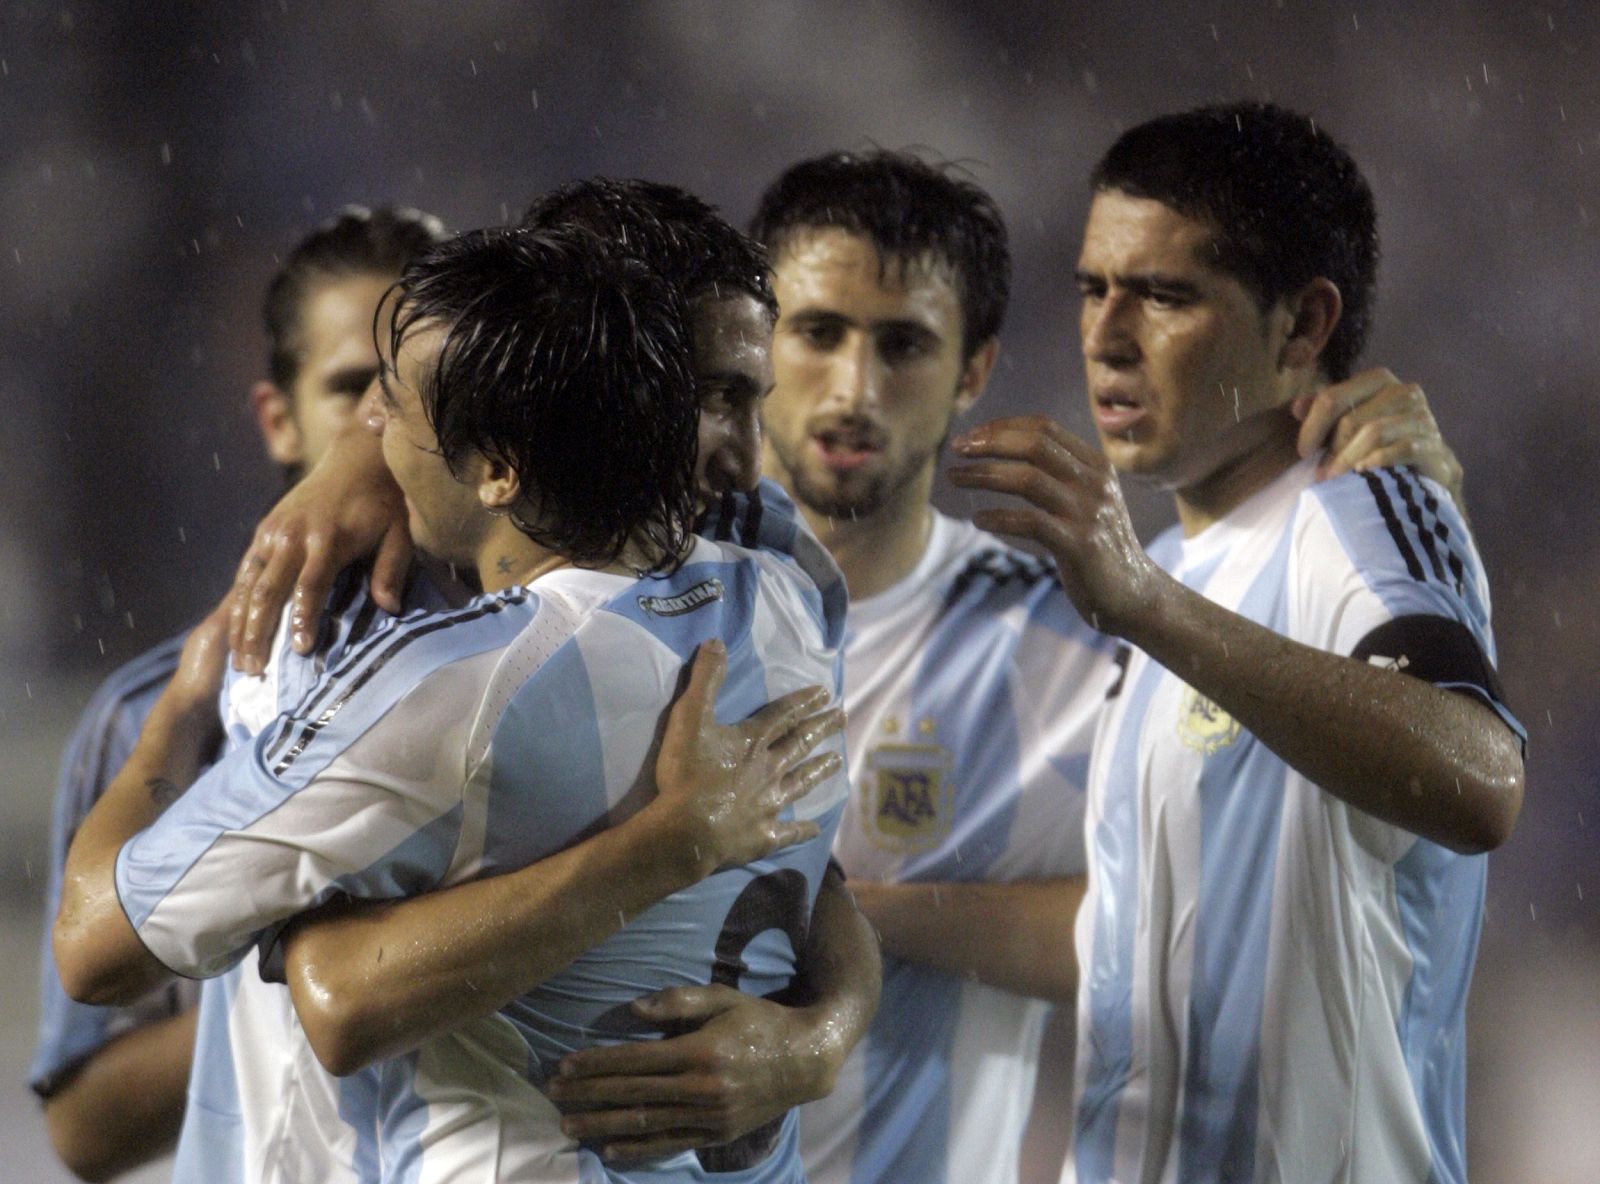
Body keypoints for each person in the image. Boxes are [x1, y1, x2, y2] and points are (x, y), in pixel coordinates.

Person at [223, 156, 1469, 1184]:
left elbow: (1189, 908)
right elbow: (249, 958)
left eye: (903, 344)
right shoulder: (525, 584)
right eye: (815, 334)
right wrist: (370, 450)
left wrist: (819, 993)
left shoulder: (1070, 620)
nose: (851, 389)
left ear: (972, 367)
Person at [55, 223, 853, 1183]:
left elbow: (127, 956)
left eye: (396, 401)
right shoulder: (785, 590)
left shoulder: (437, 680)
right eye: (365, 395)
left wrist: (181, 711)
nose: (376, 430)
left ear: (504, 450)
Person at [947, 102, 1524, 1184]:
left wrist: (1142, 604)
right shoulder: (1173, 565)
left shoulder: (1361, 503)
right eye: (1091, 286)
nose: (1104, 334)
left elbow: (1479, 775)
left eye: (1163, 294)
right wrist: (861, 916)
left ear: (1301, 325)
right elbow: (1124, 930)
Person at [29, 204, 447, 1181]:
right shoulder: (152, 712)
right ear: (276, 418)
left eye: (419, 389)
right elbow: (84, 1123)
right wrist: (290, 951)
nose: (383, 430)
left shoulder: (538, 662)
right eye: (354, 391)